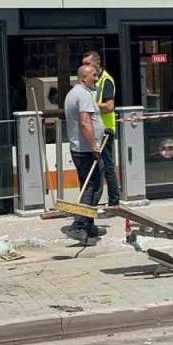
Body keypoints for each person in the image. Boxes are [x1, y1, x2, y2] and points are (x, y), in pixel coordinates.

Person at [62, 64, 107, 244]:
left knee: (87, 187)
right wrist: (94, 145)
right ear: (84, 78)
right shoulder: (84, 94)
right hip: (87, 150)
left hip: (80, 149)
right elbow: (85, 122)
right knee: (93, 188)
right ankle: (79, 226)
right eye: (94, 76)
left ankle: (88, 225)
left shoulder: (74, 93)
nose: (97, 79)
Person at [82, 50, 120, 208]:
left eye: (87, 64)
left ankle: (113, 201)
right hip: (96, 129)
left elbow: (110, 106)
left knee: (107, 166)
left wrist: (90, 107)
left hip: (106, 130)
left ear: (97, 64)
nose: (84, 67)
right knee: (101, 165)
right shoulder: (93, 81)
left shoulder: (106, 80)